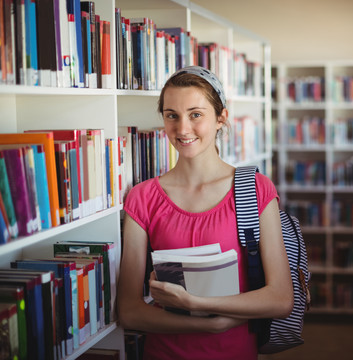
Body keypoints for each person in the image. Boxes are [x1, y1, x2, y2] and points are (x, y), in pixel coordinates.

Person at [117, 66, 294, 360]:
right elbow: (130, 312)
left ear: (221, 118)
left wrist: (196, 303)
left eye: (196, 114)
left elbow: (280, 298)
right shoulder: (143, 197)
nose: (183, 129)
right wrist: (212, 324)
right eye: (172, 115)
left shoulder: (255, 189)